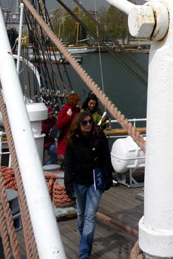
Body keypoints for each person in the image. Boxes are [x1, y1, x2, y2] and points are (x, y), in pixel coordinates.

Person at [64, 111, 113, 259]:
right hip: (78, 182)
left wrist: (107, 180)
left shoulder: (99, 138)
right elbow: (68, 164)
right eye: (84, 122)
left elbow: (106, 159)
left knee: (90, 216)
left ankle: (84, 253)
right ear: (78, 125)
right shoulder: (72, 140)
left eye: (90, 122)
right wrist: (68, 186)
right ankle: (85, 240)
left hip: (95, 182)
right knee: (81, 215)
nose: (88, 125)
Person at [56, 92, 80, 164]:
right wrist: (68, 116)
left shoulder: (77, 111)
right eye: (77, 101)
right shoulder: (64, 111)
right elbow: (59, 125)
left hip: (75, 138)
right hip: (65, 140)